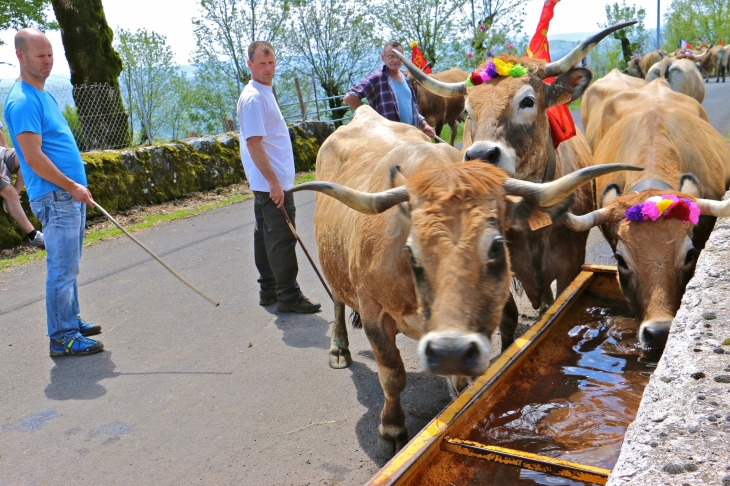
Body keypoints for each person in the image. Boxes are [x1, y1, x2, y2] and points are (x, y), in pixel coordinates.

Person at [4, 28, 103, 356]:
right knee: (62, 266)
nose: (47, 61)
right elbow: (32, 157)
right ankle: (62, 336)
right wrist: (72, 185)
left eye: (50, 55)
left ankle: (70, 321)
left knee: (69, 263)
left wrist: (76, 187)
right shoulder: (21, 101)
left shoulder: (42, 94)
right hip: (57, 195)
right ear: (21, 56)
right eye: (40, 56)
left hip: (68, 194)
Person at [237, 41, 321, 314]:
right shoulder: (253, 98)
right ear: (249, 65)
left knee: (266, 235)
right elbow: (254, 144)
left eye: (271, 63)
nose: (267, 68)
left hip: (268, 181)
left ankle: (269, 289)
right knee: (282, 237)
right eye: (261, 64)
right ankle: (288, 295)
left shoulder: (263, 92)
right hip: (271, 182)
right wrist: (274, 182)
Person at [343, 41, 437, 139]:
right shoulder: (377, 77)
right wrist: (371, 117)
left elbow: (412, 107)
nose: (395, 60)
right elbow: (349, 97)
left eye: (399, 56)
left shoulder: (406, 76)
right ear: (383, 58)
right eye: (391, 56)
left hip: (412, 135)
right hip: (390, 139)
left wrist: (424, 124)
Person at [0, 144, 45, 247]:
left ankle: (13, 199)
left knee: (27, 158)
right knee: (10, 193)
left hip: (2, 152)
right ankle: (34, 236)